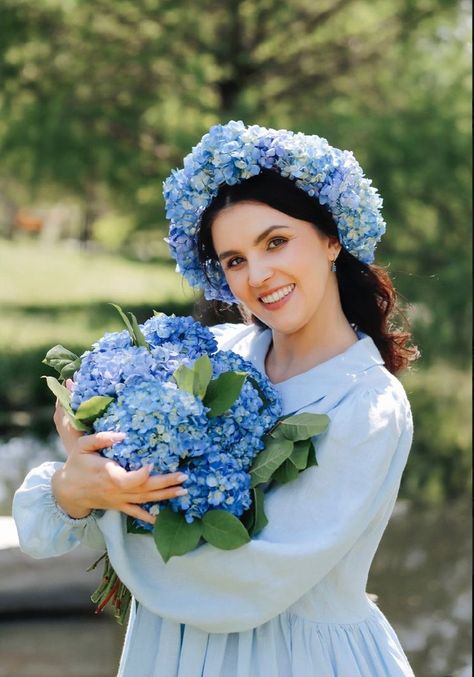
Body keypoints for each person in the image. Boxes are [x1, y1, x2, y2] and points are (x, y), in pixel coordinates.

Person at [13, 121, 418, 676]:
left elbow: (243, 585)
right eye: (234, 259)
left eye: (276, 242)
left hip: (299, 659)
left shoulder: (369, 405)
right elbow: (43, 531)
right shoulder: (212, 358)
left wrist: (111, 501)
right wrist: (72, 489)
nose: (258, 275)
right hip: (172, 654)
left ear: (331, 239)